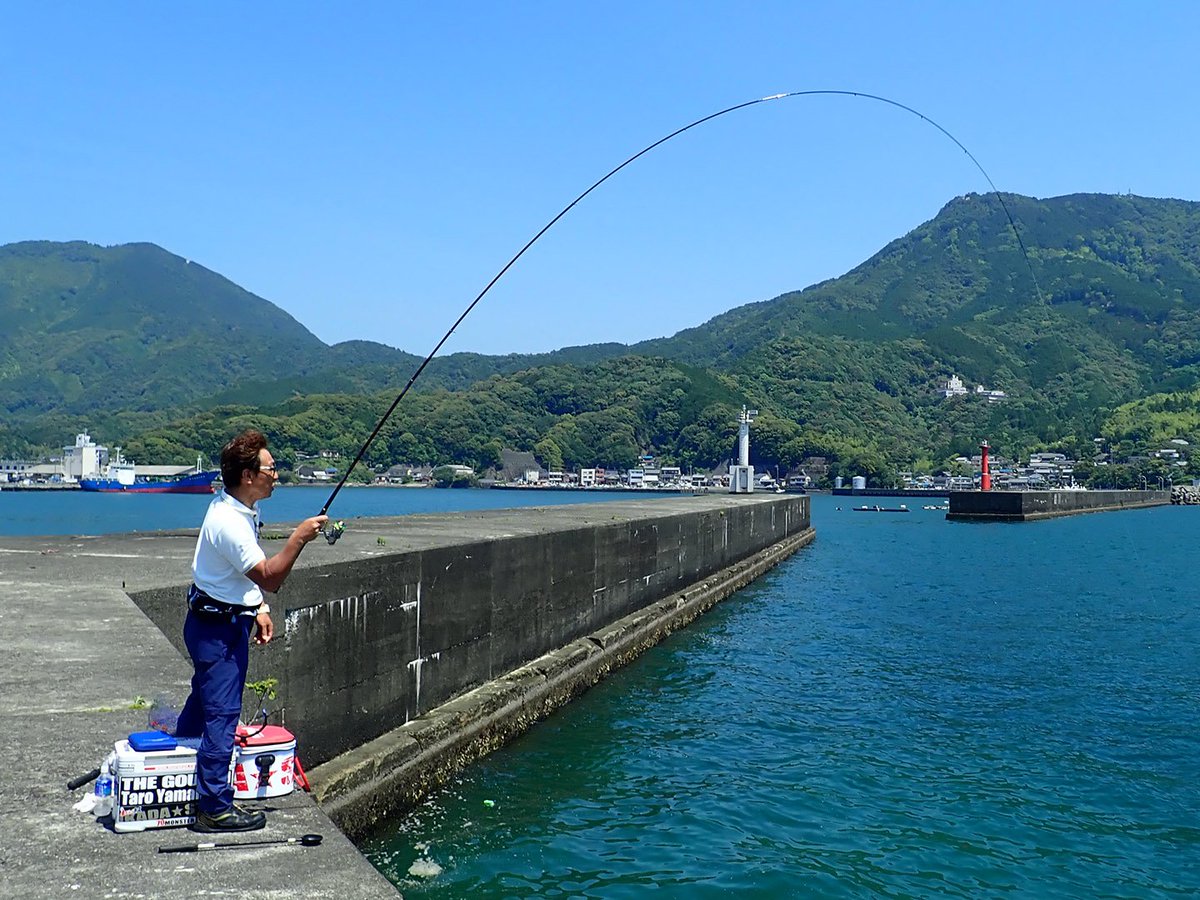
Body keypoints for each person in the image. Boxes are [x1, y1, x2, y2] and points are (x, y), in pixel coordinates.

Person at [174, 429, 327, 833]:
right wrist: (299, 538)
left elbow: (241, 577)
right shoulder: (229, 522)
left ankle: (178, 758)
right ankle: (214, 806)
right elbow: (269, 575)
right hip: (217, 630)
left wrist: (257, 605)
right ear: (247, 475)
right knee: (223, 714)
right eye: (270, 468)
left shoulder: (240, 509)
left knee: (205, 700)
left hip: (220, 619)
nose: (276, 475)